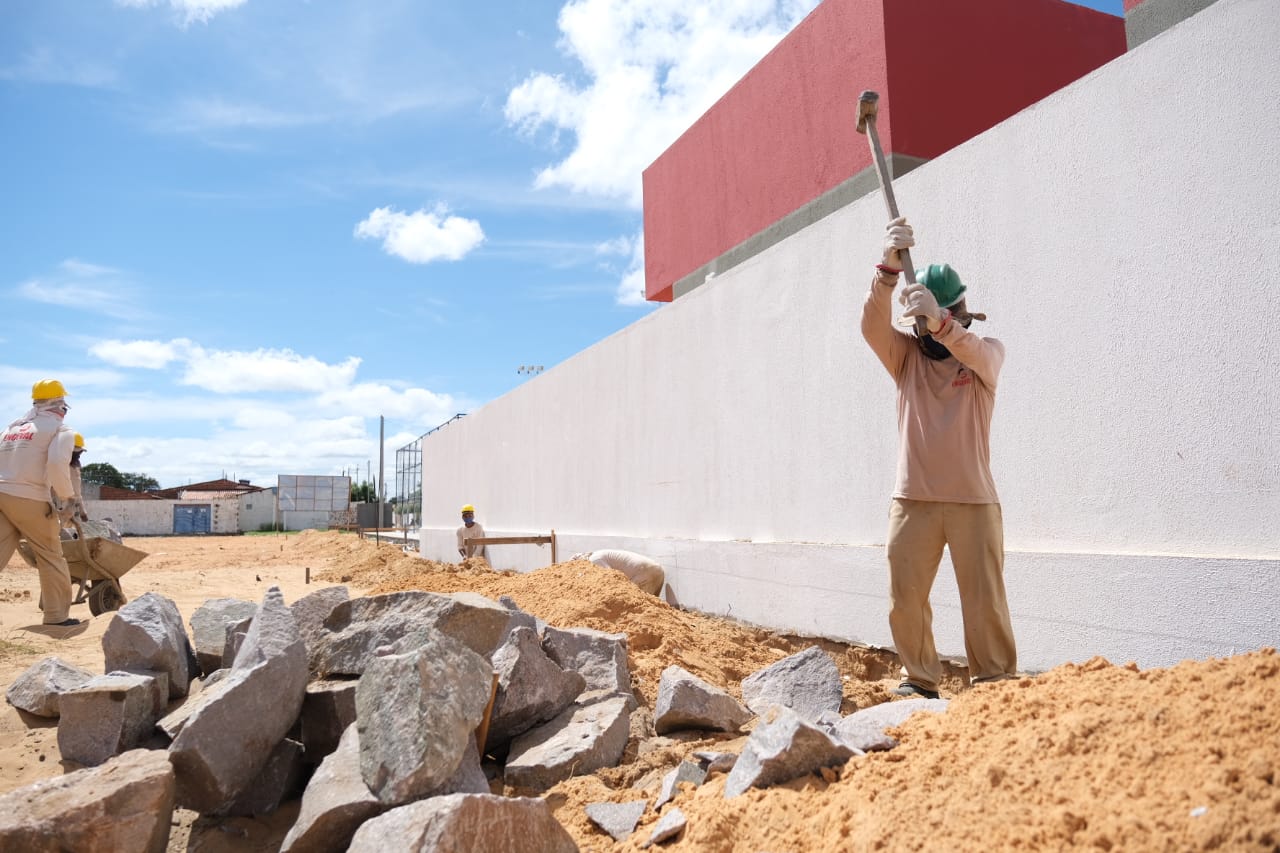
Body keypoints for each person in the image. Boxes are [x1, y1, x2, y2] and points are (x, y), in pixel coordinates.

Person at [860, 217, 1017, 699]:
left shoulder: (984, 354)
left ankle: (994, 682)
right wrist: (887, 272)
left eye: (935, 321)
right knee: (905, 598)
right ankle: (920, 679)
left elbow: (976, 354)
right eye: (921, 325)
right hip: (914, 501)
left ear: (957, 314)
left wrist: (943, 325)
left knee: (984, 602)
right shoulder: (906, 357)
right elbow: (870, 326)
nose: (926, 334)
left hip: (972, 502)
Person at [0, 379, 79, 627]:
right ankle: (56, 616)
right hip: (30, 497)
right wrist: (68, 498)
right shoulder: (60, 430)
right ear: (60, 405)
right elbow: (56, 465)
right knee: (50, 554)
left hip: (1, 494)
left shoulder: (11, 429)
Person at [571, 549, 665, 596]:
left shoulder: (594, 560)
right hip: (655, 570)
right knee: (652, 608)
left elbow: (611, 578)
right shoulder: (597, 554)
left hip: (644, 572)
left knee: (636, 606)